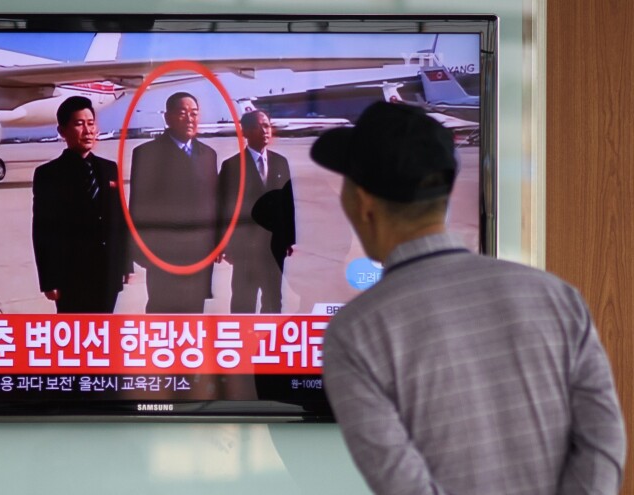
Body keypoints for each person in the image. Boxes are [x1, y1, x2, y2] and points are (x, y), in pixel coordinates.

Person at [311, 101, 626, 494]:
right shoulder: (556, 297)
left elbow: (405, 486)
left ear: (363, 203)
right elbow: (603, 438)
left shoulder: (355, 334)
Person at [31, 96, 131, 313]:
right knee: (76, 338)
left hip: (108, 272)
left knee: (104, 333)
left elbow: (120, 219)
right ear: (62, 130)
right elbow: (43, 231)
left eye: (90, 123)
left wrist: (126, 263)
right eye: (79, 124)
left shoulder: (109, 168)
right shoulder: (49, 174)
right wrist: (49, 280)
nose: (88, 130)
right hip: (71, 277)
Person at [128, 92, 220, 313]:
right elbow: (137, 206)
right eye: (182, 113)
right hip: (163, 255)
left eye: (194, 113)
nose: (190, 119)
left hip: (199, 254)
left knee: (194, 313)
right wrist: (139, 251)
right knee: (162, 314)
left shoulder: (208, 154)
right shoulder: (147, 154)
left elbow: (214, 203)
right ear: (167, 118)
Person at [218, 110, 295, 313]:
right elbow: (222, 208)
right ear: (246, 132)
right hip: (244, 249)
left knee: (273, 301)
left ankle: (268, 343)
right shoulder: (232, 166)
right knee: (244, 301)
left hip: (274, 246)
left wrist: (289, 239)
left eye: (267, 126)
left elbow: (287, 204)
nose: (265, 131)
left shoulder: (280, 162)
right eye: (259, 126)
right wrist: (224, 244)